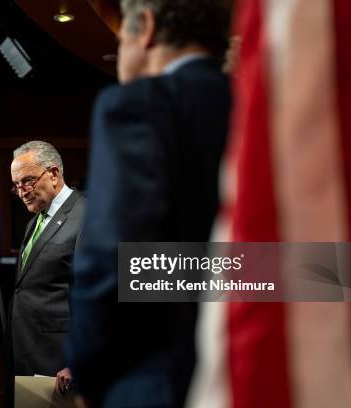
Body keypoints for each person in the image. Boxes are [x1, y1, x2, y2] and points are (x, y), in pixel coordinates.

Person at [65, 0, 232, 406]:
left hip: (155, 377)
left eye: (120, 39)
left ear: (147, 29)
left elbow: (111, 257)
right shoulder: (266, 107)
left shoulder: (138, 104)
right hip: (253, 368)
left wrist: (85, 365)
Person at [7, 141, 85, 394]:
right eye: (16, 185)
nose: (22, 192)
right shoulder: (34, 222)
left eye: (27, 181)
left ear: (53, 174)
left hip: (61, 365)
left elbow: (98, 296)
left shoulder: (86, 215)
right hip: (28, 356)